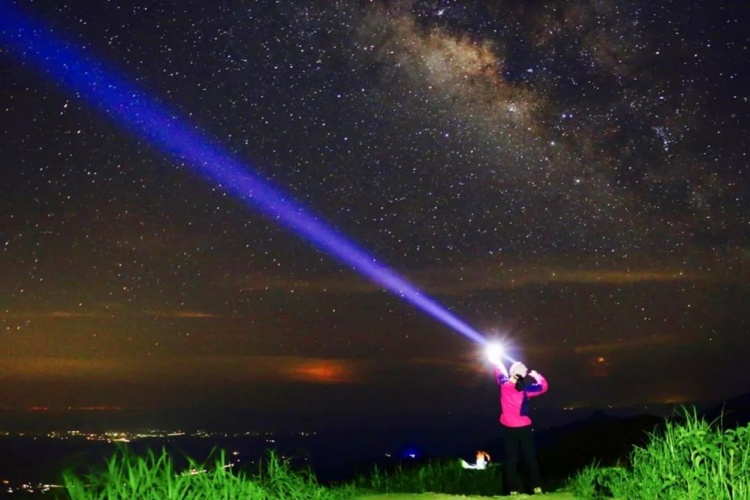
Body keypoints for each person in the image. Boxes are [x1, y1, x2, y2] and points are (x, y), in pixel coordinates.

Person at [493, 359, 548, 495]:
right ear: (520, 374)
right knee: (530, 458)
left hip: (508, 428)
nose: (526, 367)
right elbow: (543, 387)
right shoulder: (525, 390)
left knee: (511, 460)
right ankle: (537, 487)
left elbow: (499, 372)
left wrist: (497, 361)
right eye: (524, 367)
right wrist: (536, 375)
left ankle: (513, 490)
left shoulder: (504, 385)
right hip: (524, 429)